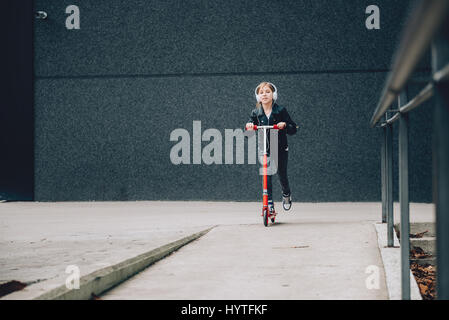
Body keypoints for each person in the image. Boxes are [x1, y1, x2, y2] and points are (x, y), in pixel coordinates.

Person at [245, 82, 297, 214]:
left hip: (279, 147)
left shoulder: (280, 110)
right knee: (266, 176)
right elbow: (248, 135)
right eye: (261, 92)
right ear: (258, 96)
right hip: (264, 147)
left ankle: (286, 194)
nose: (264, 94)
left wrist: (284, 125)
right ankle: (269, 203)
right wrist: (249, 127)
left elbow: (293, 129)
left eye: (267, 92)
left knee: (281, 174)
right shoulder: (256, 112)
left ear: (273, 95)